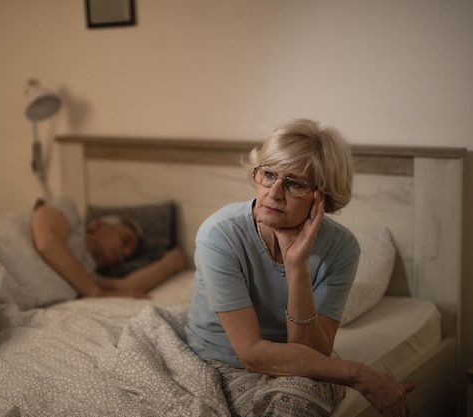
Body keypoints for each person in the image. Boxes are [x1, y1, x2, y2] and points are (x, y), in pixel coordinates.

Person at [184, 119, 415, 417]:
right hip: (216, 361)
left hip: (300, 366)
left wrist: (298, 267)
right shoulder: (220, 234)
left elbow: (315, 355)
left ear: (323, 196)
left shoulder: (342, 248)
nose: (274, 192)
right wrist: (359, 374)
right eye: (269, 174)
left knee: (301, 395)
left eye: (294, 183)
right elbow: (252, 355)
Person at [32, 196, 187, 299]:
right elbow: (47, 243)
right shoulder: (67, 212)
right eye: (125, 240)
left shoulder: (87, 277)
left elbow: (128, 287)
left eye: (128, 256)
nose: (124, 253)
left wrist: (170, 264)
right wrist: (95, 292)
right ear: (99, 225)